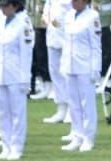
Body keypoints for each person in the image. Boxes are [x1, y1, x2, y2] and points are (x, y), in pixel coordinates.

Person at [0, 0, 33, 159]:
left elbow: (26, 53)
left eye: (6, 6)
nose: (3, 9)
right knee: (2, 112)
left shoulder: (23, 23)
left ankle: (16, 146)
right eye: (1, 6)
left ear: (15, 6)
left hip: (16, 74)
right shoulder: (0, 20)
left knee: (17, 112)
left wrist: (25, 79)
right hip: (0, 72)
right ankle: (5, 145)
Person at [60, 0, 100, 150]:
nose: (73, 2)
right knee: (74, 103)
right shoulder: (69, 15)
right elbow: (66, 42)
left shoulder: (92, 16)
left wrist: (96, 68)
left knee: (87, 104)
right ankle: (77, 135)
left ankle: (88, 138)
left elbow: (96, 45)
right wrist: (63, 64)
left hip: (85, 65)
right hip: (70, 65)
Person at [42, 0, 71, 122]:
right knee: (55, 73)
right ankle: (61, 108)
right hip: (52, 37)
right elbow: (45, 13)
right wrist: (47, 20)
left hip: (67, 39)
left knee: (67, 74)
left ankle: (71, 109)